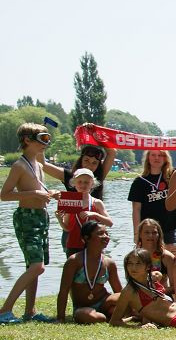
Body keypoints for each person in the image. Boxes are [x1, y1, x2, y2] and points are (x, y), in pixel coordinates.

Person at [0, 123, 60, 324]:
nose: (46, 143)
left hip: (41, 217)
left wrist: (51, 194)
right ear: (27, 140)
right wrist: (34, 193)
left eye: (47, 139)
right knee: (37, 266)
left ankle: (30, 311)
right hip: (27, 217)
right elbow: (4, 195)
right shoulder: (19, 166)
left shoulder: (39, 165)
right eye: (42, 139)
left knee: (33, 266)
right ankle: (5, 310)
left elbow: (39, 189)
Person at [56, 222, 121, 323]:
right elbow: (64, 291)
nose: (106, 237)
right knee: (84, 316)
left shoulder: (109, 263)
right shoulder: (74, 261)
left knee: (122, 298)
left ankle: (128, 315)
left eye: (107, 233)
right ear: (86, 238)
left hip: (104, 302)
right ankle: (109, 317)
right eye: (100, 233)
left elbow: (119, 291)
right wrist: (60, 318)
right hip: (83, 308)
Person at [128, 150, 176, 249]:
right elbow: (136, 210)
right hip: (148, 228)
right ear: (148, 158)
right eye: (153, 155)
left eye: (160, 155)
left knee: (169, 259)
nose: (157, 158)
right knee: (149, 259)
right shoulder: (139, 182)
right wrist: (136, 234)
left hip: (169, 227)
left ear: (165, 158)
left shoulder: (172, 177)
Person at [58, 168, 113, 255]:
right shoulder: (70, 201)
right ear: (74, 184)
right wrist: (59, 219)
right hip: (74, 245)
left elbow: (110, 223)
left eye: (86, 182)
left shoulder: (97, 203)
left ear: (92, 184)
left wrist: (95, 214)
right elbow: (67, 228)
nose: (83, 185)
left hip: (94, 244)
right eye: (79, 182)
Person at [135, 218, 176, 288]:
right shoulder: (134, 256)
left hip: (161, 295)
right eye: (147, 232)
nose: (150, 235)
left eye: (154, 232)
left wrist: (157, 294)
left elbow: (174, 286)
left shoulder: (168, 257)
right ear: (140, 235)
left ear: (159, 235)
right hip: (139, 295)